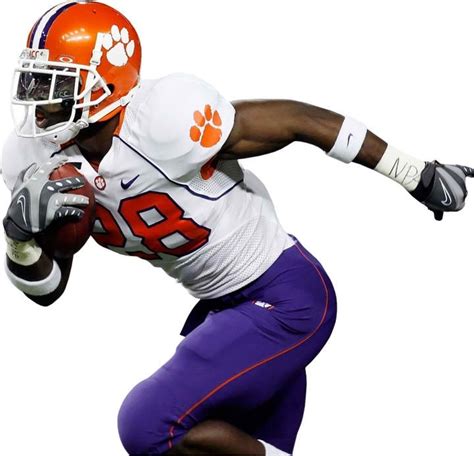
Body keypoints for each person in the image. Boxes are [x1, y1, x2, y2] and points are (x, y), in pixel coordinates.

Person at [2, 1, 473, 455]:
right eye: (33, 79)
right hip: (221, 312)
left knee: (146, 424)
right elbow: (49, 288)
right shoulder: (33, 159)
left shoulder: (165, 118)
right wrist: (17, 238)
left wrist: (415, 173)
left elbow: (298, 120)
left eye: (56, 83)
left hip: (284, 297)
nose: (37, 102)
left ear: (108, 82)